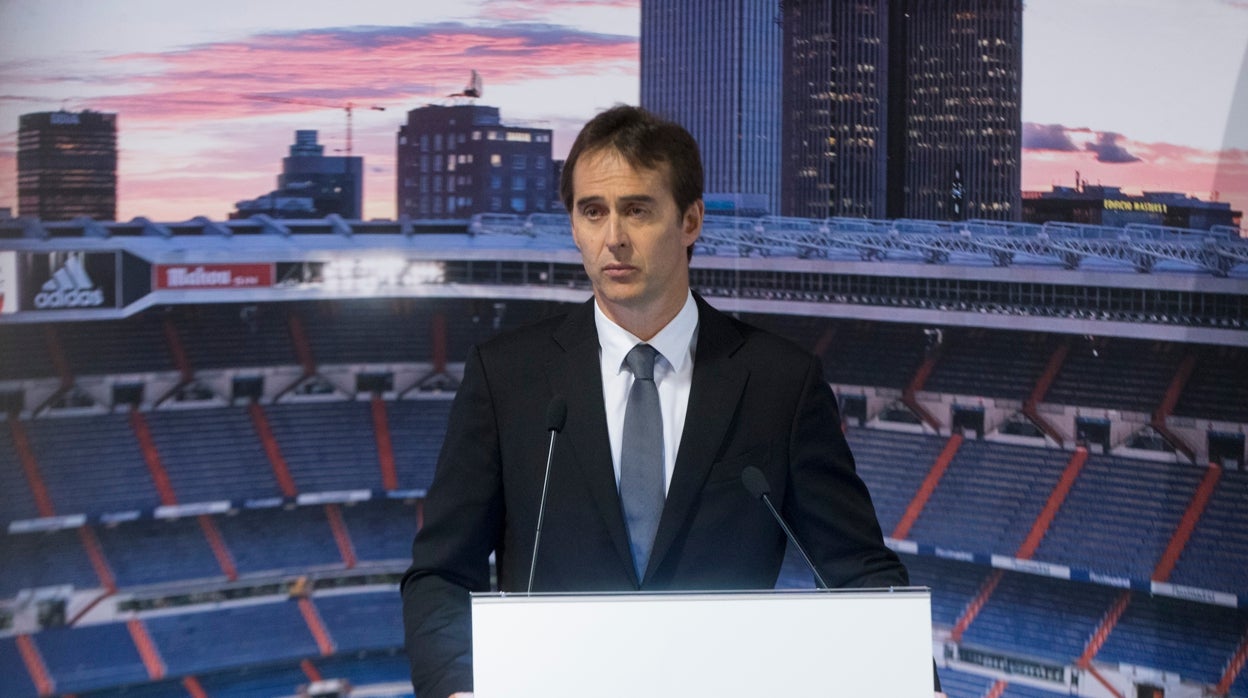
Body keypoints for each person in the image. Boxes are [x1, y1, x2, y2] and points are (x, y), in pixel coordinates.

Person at [401, 105, 925, 698]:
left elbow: (858, 570)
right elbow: (440, 575)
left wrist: (912, 680)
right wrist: (456, 688)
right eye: (592, 211)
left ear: (691, 220)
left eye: (638, 210)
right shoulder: (507, 377)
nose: (613, 238)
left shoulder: (781, 382)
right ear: (573, 225)